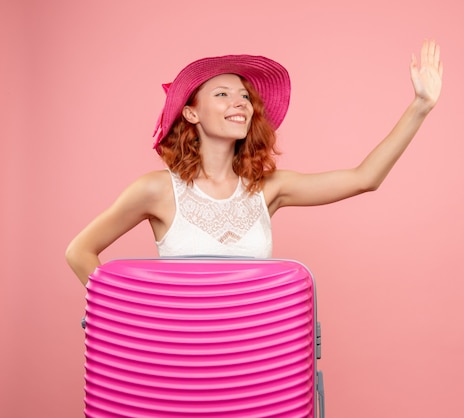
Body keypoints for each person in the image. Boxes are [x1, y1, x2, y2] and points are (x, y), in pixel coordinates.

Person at [65, 39, 443, 286]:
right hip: (177, 361)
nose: (240, 102)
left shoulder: (269, 188)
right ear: (192, 114)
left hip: (253, 361)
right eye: (223, 93)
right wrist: (129, 311)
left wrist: (420, 107)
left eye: (244, 96)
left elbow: (365, 178)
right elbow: (79, 251)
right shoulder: (155, 189)